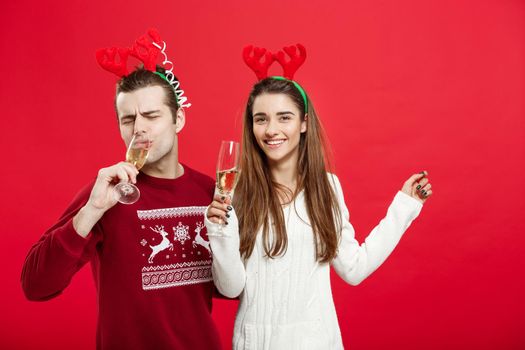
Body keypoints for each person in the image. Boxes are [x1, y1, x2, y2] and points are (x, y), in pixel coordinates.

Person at [205, 44, 433, 349]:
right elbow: (231, 288)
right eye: (261, 119)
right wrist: (220, 232)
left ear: (304, 123)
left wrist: (404, 207)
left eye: (284, 117)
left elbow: (353, 268)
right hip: (254, 342)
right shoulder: (236, 190)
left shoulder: (327, 187)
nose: (271, 129)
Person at [21, 29, 222, 349]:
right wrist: (91, 212)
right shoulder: (106, 193)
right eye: (128, 119)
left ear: (178, 118)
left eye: (151, 115)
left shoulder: (209, 192)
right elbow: (36, 285)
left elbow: (229, 287)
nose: (139, 127)